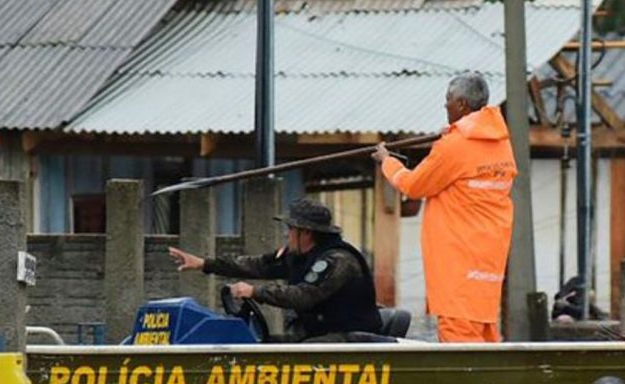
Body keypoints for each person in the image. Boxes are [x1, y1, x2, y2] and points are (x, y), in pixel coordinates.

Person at [371, 71, 516, 343]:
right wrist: (448, 137)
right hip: (487, 259)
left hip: (458, 259)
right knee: (485, 332)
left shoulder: (456, 145)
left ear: (461, 104)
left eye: (448, 100)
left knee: (458, 338)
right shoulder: (500, 143)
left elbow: (414, 185)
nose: (445, 105)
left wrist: (387, 162)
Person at [167, 198, 382, 342]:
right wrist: (205, 263)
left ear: (305, 233)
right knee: (266, 344)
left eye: (290, 229)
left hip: (350, 339)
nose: (287, 235)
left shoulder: (337, 261)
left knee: (295, 355)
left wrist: (254, 292)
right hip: (318, 333)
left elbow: (303, 296)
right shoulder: (299, 256)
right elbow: (259, 265)